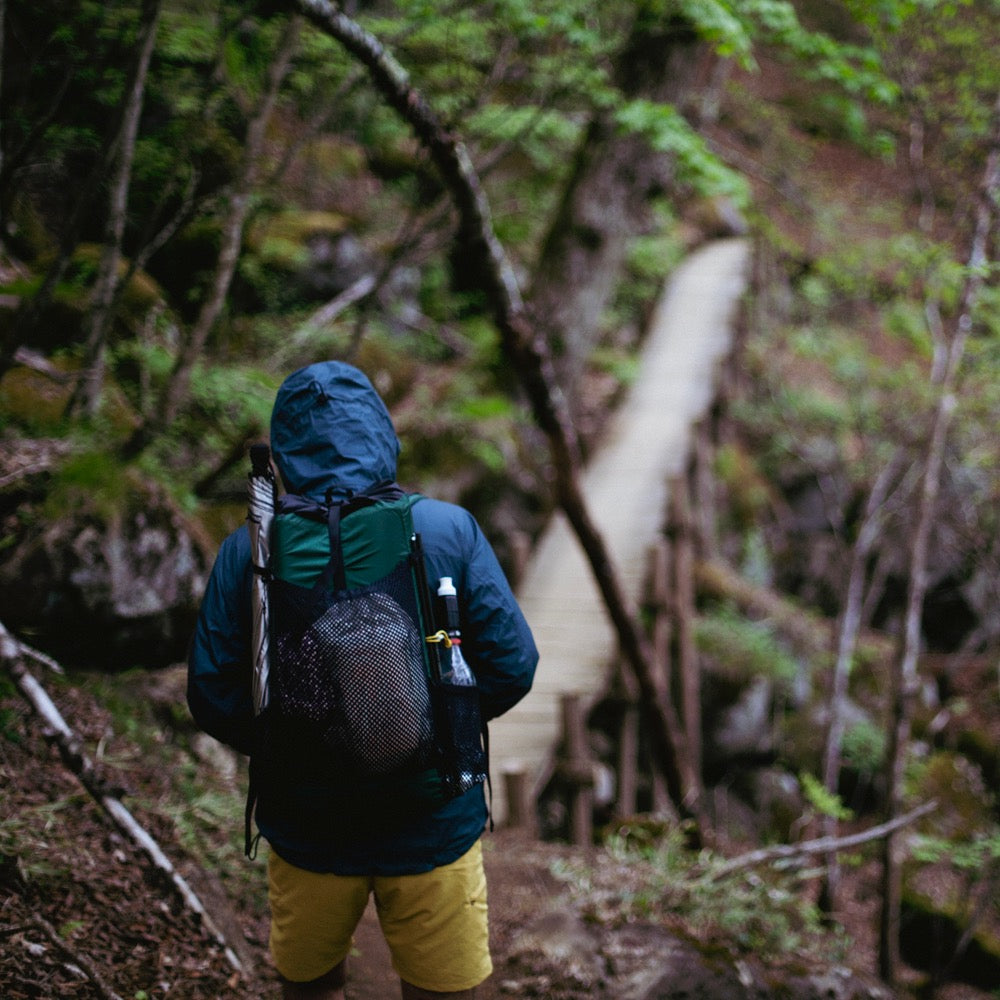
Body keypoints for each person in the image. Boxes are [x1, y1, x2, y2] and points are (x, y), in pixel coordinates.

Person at [187, 360, 538, 1000]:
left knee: (313, 987)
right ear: (381, 434)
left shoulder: (249, 553)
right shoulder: (443, 528)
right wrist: (441, 725)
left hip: (306, 828)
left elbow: (212, 693)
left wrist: (293, 747)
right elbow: (514, 664)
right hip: (433, 820)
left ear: (285, 449)